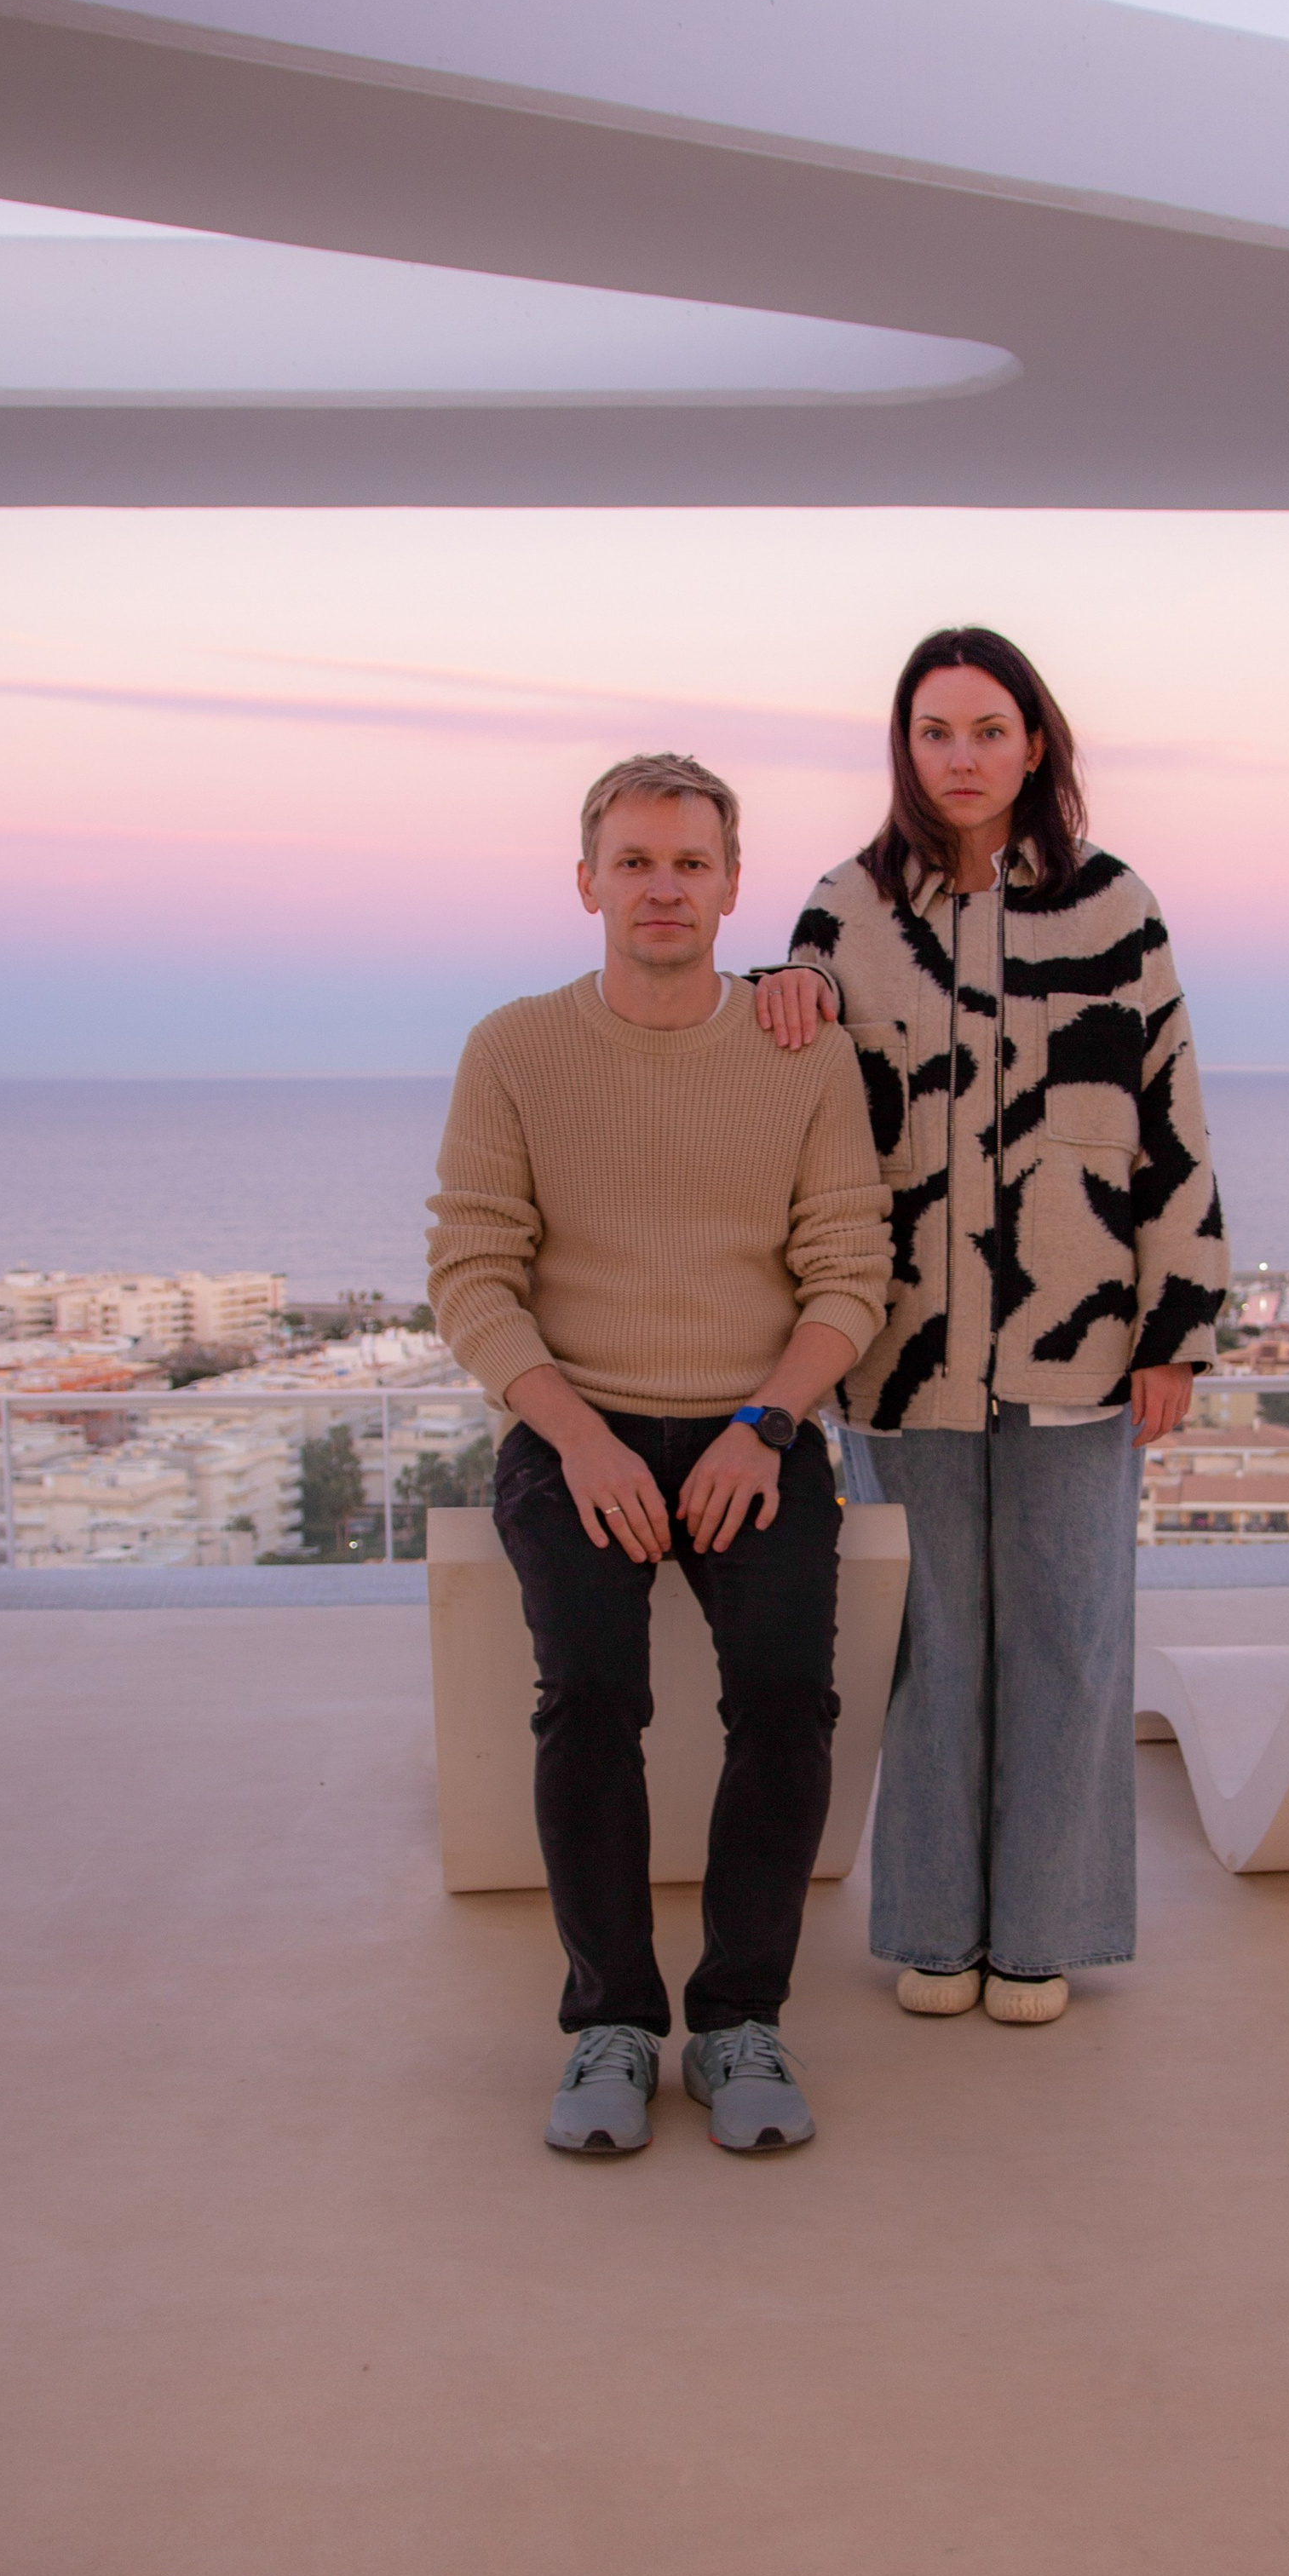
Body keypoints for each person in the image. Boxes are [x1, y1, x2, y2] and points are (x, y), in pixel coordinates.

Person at [754, 629, 1228, 2021]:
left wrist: (1175, 1327)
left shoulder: (1116, 907)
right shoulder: (843, 907)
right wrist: (770, 988)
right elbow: (789, 1088)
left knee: (1073, 1639)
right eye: (935, 731)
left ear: (1037, 742)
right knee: (927, 1646)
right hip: (899, 1357)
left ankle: (1045, 1933)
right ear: (904, 749)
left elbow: (1174, 1121)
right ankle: (933, 1930)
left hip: (1081, 1348)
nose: (962, 757)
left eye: (989, 729)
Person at [427, 753, 890, 2156]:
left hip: (757, 1422)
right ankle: (612, 2024)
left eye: (691, 862)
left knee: (786, 1702)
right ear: (587, 884)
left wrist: (766, 1425)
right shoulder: (513, 1048)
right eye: (634, 861)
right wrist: (574, 1435)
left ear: (734, 885)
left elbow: (850, 1273)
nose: (664, 886)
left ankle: (741, 2017)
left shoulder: (803, 1051)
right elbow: (472, 1273)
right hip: (577, 1428)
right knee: (590, 1696)